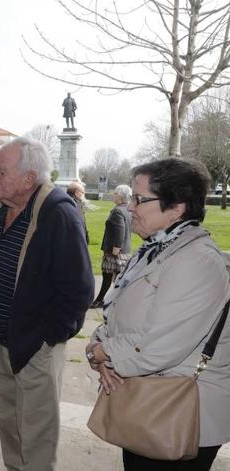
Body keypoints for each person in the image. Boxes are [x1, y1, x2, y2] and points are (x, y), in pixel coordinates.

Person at [86, 159, 230, 470]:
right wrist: (99, 351)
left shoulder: (197, 262)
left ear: (177, 208)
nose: (130, 208)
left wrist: (102, 352)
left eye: (140, 199)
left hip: (181, 412)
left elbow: (158, 345)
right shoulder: (155, 249)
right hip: (146, 400)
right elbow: (117, 314)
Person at [0, 137, 94, 471]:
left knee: (37, 433)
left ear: (28, 179)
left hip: (37, 344)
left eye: (1, 171)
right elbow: (0, 254)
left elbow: (80, 291)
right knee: (9, 423)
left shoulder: (59, 214)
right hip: (4, 339)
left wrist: (47, 338)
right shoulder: (3, 208)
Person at [90, 184, 132, 308]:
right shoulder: (127, 209)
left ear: (120, 196)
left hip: (116, 251)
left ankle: (100, 301)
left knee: (109, 276)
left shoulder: (117, 210)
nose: (113, 195)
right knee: (116, 278)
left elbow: (120, 229)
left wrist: (116, 247)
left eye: (115, 193)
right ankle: (102, 300)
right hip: (124, 250)